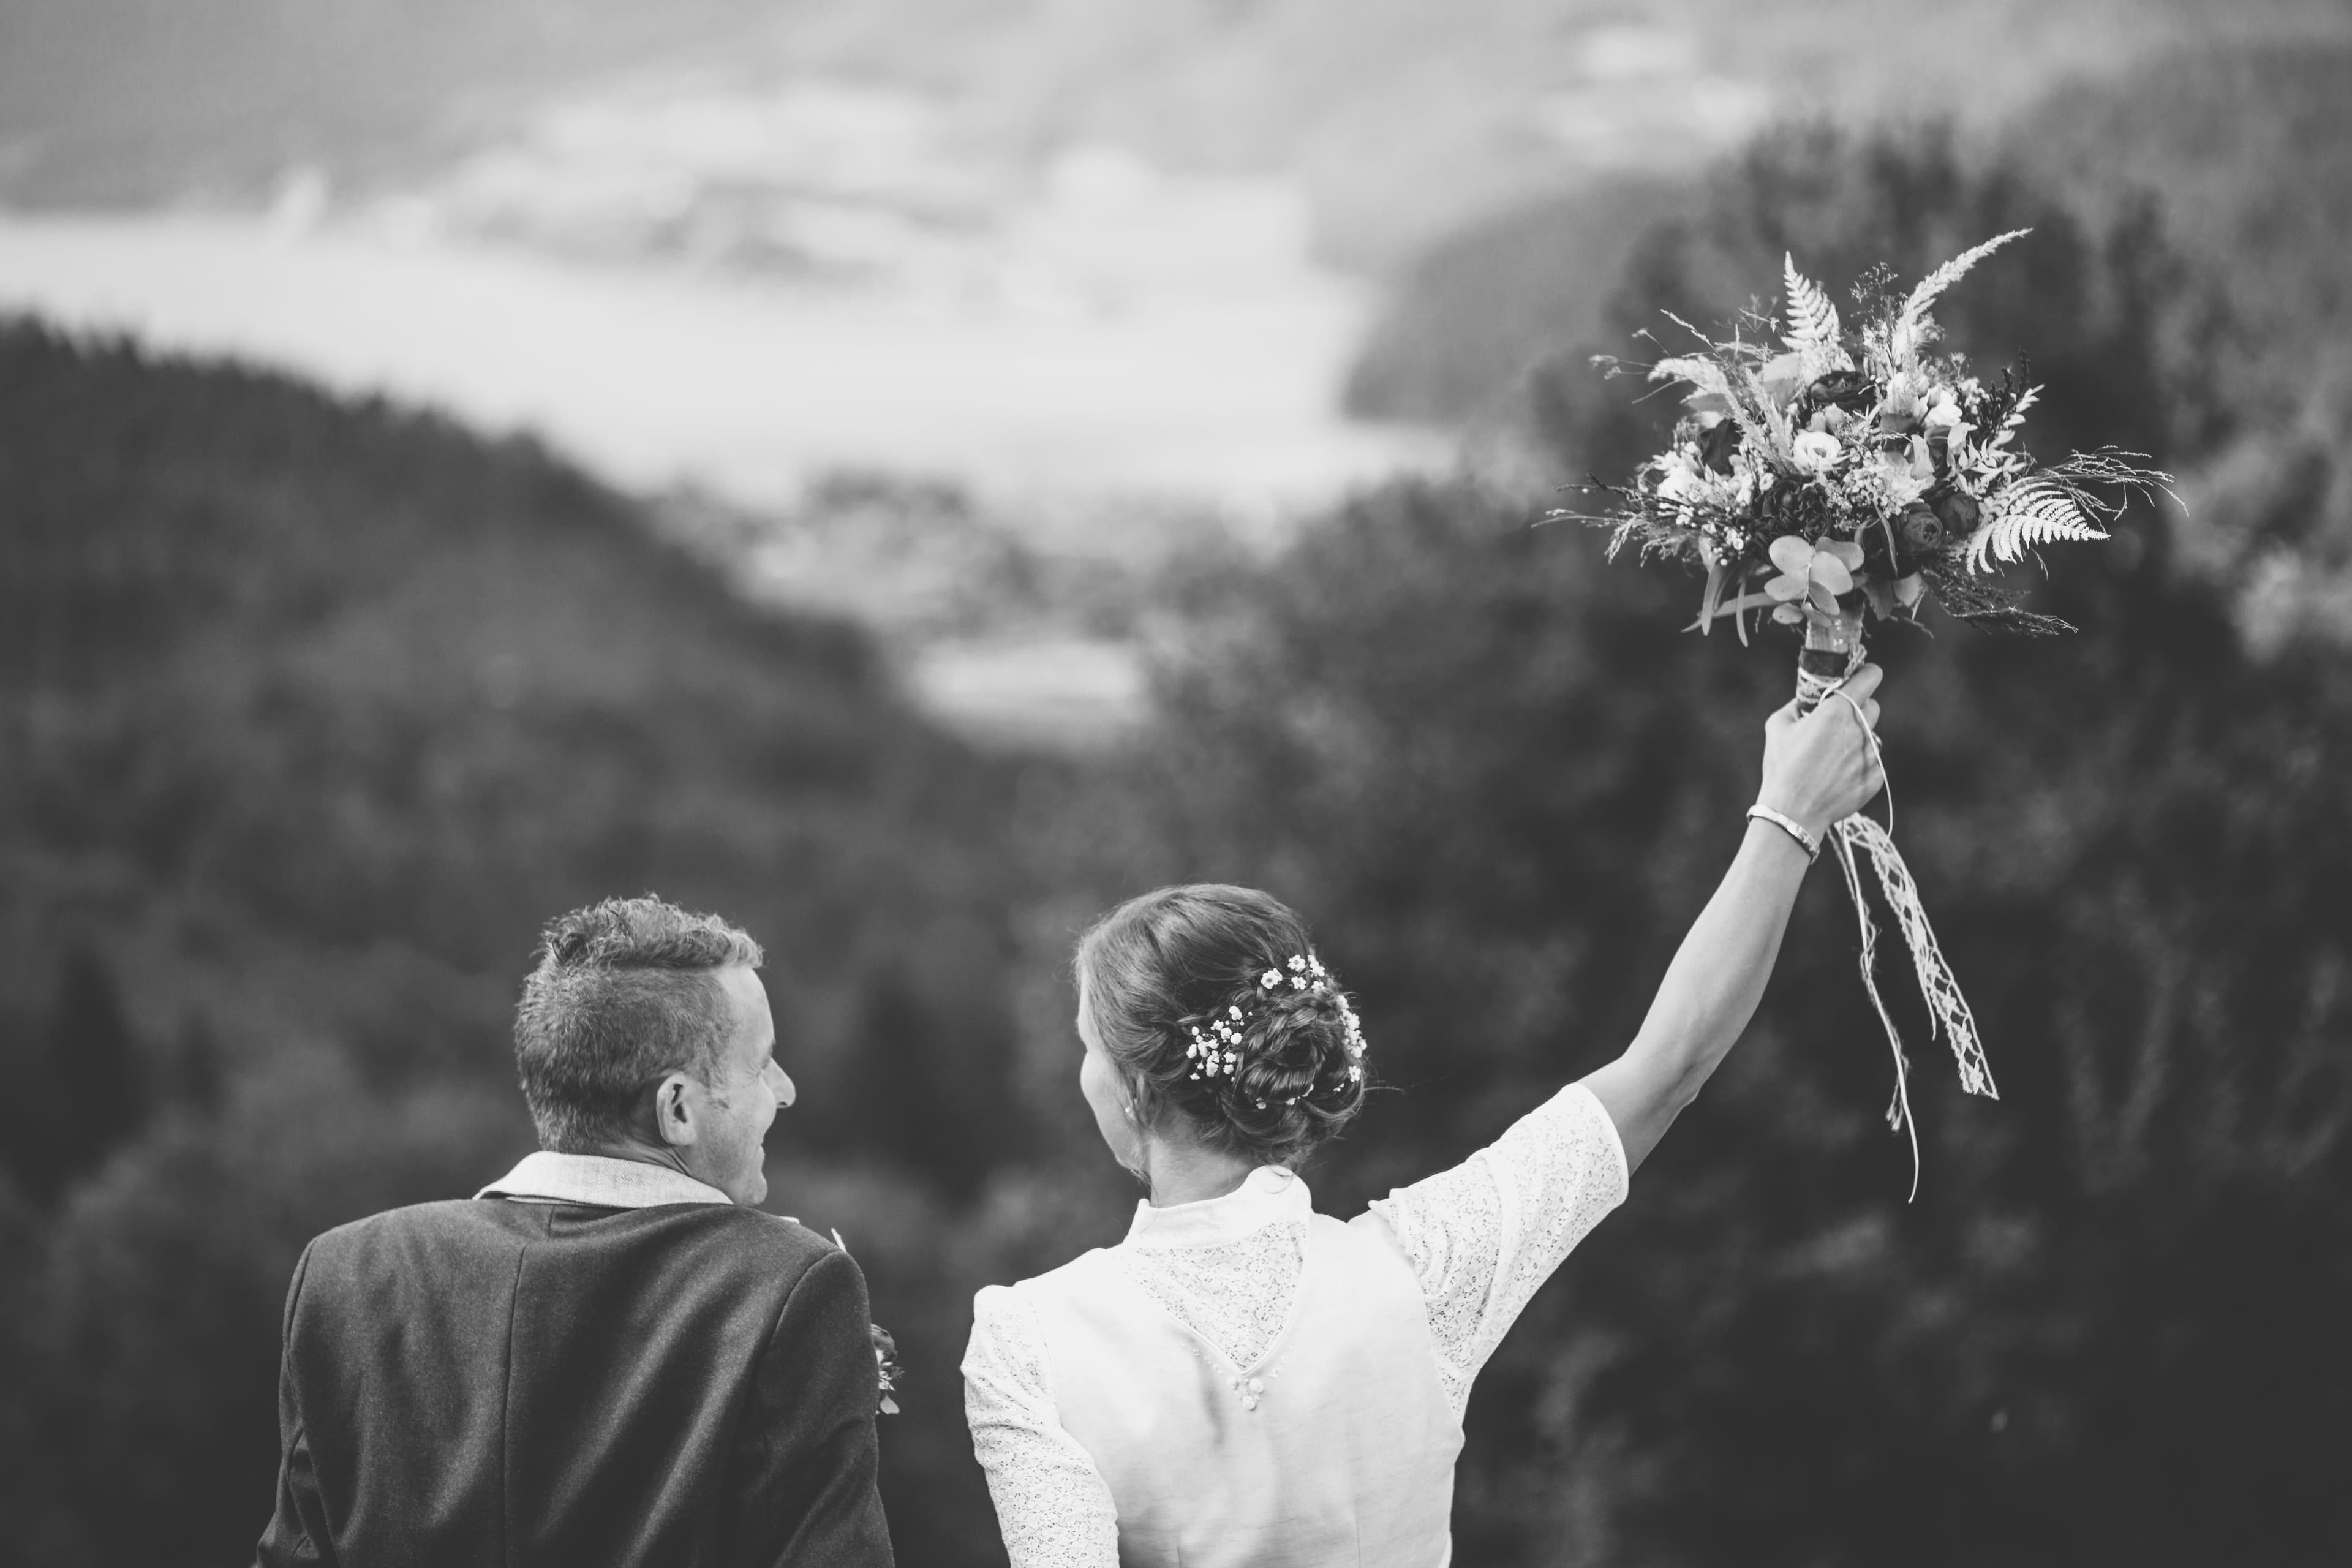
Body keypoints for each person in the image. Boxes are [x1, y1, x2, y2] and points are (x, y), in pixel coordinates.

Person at [963, 670, 1887, 1567]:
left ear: (1133, 1087)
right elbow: (1669, 1065)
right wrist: (1789, 816)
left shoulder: (1030, 1342)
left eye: (1087, 1043)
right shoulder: (1426, 1268)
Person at [255, 896, 895, 1568]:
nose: (786, 1091)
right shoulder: (790, 1288)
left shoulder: (346, 1274)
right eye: (762, 1063)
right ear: (678, 1108)